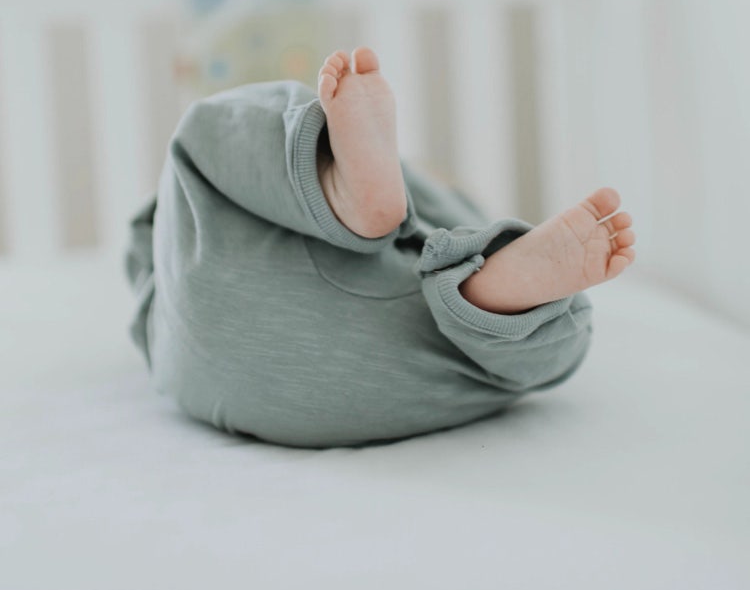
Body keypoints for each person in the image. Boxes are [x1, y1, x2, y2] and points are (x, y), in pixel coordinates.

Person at [125, 47, 635, 449]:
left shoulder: (171, 285)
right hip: (393, 367)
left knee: (206, 137)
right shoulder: (460, 224)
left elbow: (144, 246)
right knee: (560, 333)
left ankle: (326, 181)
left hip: (219, 364)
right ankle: (490, 305)